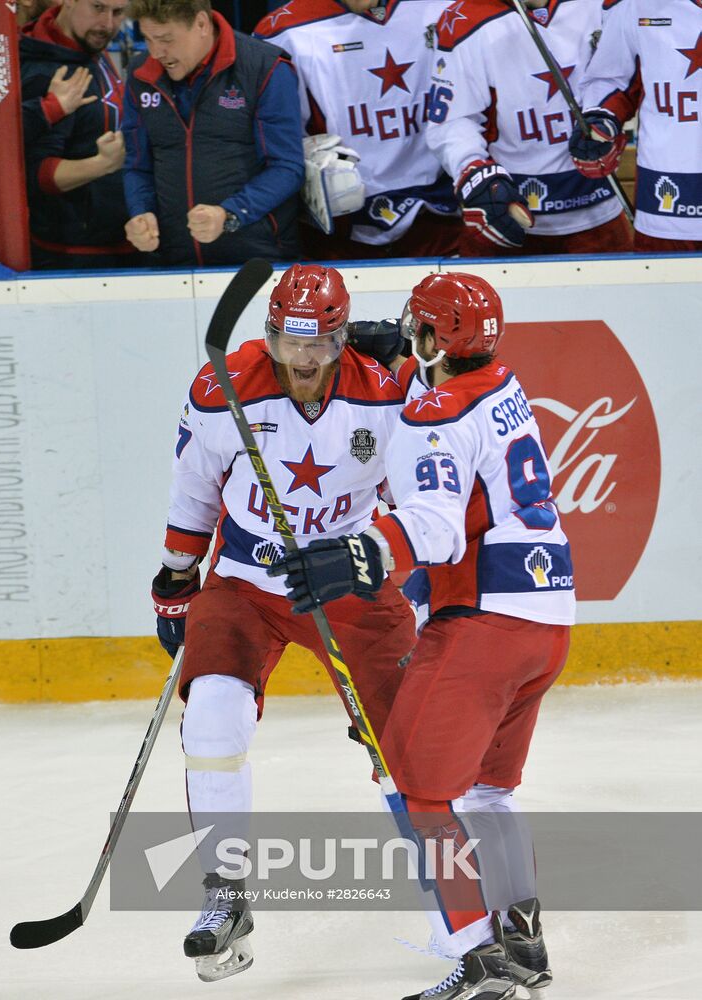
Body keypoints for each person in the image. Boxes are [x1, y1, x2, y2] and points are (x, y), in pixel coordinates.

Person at [270, 272, 575, 999]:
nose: (407, 333)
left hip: (483, 623)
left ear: (438, 339)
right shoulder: (503, 384)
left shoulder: (431, 415)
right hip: (548, 621)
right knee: (486, 792)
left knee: (419, 789)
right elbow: (455, 409)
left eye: (419, 327)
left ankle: (479, 962)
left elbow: (434, 526)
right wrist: (410, 357)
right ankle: (522, 946)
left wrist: (354, 554)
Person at [151, 263, 416, 981]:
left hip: (348, 582)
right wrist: (177, 578)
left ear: (342, 338)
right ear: (268, 333)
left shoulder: (388, 392)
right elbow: (194, 486)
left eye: (319, 344)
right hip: (244, 579)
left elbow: (422, 497)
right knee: (210, 718)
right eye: (286, 341)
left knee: (408, 743)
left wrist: (398, 572)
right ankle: (224, 895)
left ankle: (456, 898)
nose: (302, 359)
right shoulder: (220, 388)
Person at [254, 0, 462, 260]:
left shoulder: (447, 9)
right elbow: (273, 144)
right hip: (340, 229)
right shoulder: (283, 31)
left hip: (441, 219)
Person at [425, 0, 633, 257]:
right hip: (506, 216)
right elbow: (452, 119)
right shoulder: (462, 18)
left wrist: (610, 123)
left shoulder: (601, 5)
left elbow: (627, 82)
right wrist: (474, 172)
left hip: (598, 214)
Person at [123, 0, 305, 267]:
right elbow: (137, 166)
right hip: (174, 263)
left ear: (201, 24)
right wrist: (141, 213)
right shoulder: (141, 74)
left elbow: (287, 167)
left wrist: (230, 213)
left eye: (165, 39)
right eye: (147, 39)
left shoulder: (265, 68)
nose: (155, 51)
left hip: (259, 261)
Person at [570, 0, 702, 253]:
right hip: (668, 191)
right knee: (665, 289)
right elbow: (612, 78)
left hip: (667, 192)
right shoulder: (634, 5)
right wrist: (602, 117)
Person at [19, 0, 136, 270]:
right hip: (74, 256)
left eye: (118, 13)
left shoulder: (87, 44)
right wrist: (102, 165)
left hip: (120, 241)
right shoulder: (48, 70)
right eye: (98, 7)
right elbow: (35, 173)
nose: (107, 24)